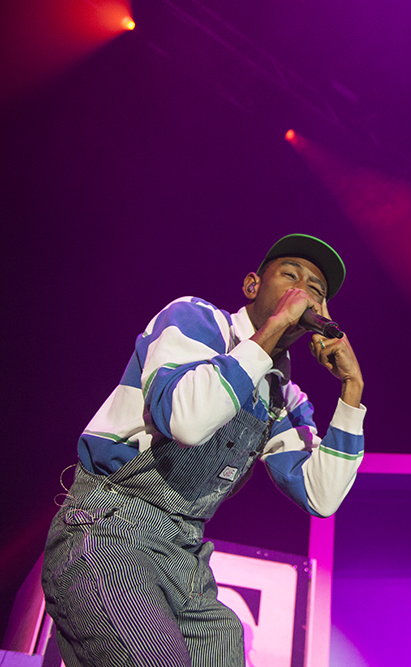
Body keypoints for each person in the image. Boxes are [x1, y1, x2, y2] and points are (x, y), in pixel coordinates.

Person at [40, 234, 365, 667]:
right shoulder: (198, 321)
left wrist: (351, 391)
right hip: (110, 532)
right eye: (291, 276)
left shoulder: (283, 396)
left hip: (186, 556)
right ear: (252, 286)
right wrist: (270, 333)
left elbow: (321, 495)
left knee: (224, 644)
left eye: (316, 290)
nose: (303, 292)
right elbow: (187, 420)